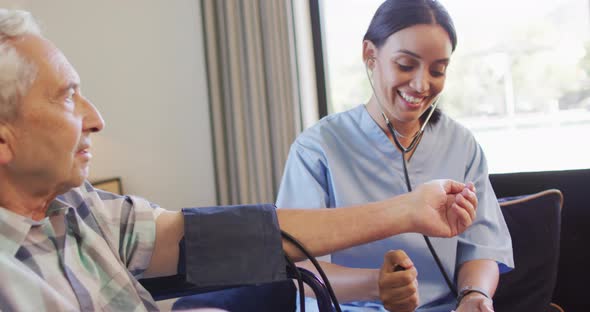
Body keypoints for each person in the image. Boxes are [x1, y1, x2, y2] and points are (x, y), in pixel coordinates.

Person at [0, 9, 479, 311]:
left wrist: (409, 210)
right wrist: (376, 283)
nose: (96, 119)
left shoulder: (83, 209)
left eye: (438, 69)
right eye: (67, 97)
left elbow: (221, 238)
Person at [276, 0, 514, 311]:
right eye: (405, 65)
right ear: (370, 56)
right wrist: (376, 285)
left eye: (437, 70)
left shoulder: (461, 144)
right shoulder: (317, 148)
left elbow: (482, 247)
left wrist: (474, 296)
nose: (421, 84)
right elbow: (296, 267)